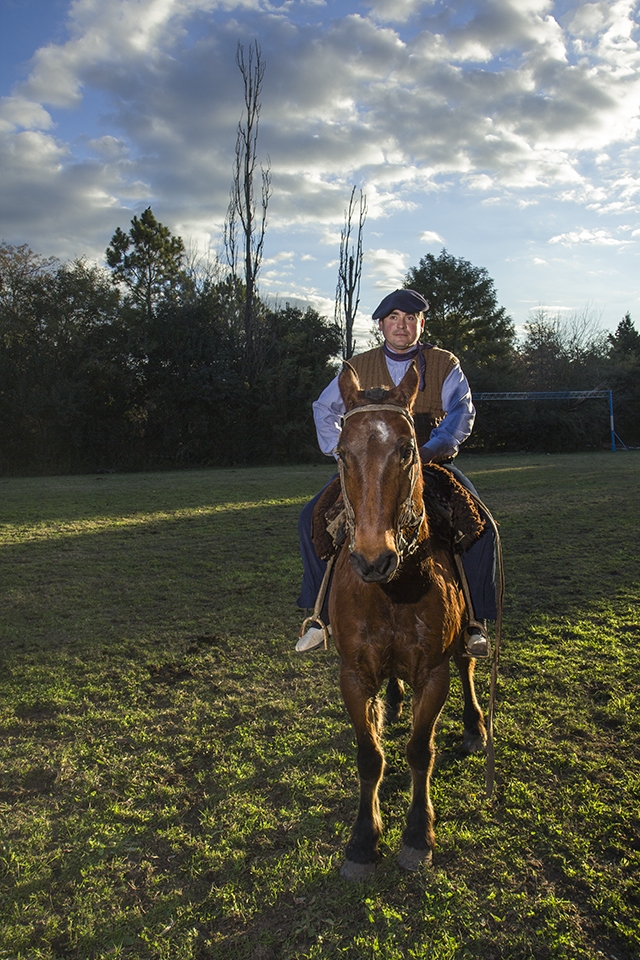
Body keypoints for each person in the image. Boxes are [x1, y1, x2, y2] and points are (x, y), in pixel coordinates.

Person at [296, 288, 497, 655]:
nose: (401, 325)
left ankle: (475, 621)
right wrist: (343, 452)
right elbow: (324, 409)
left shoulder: (444, 363)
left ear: (421, 324)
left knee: (481, 525)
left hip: (430, 461)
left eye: (409, 318)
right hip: (368, 466)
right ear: (381, 326)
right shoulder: (356, 367)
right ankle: (320, 617)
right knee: (310, 518)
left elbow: (461, 412)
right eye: (393, 318)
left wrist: (429, 450)